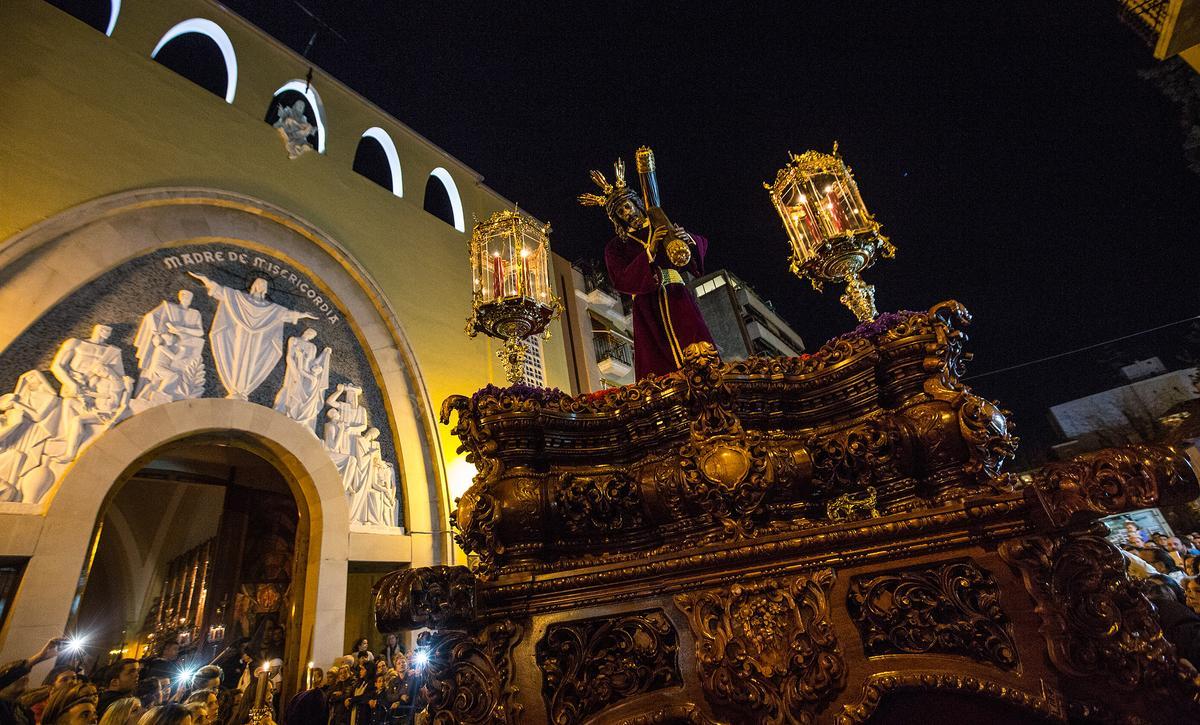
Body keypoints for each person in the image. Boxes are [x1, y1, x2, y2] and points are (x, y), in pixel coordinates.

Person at [580, 156, 715, 379]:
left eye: (627, 206)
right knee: (658, 364)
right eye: (620, 213)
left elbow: (698, 247)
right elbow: (620, 278)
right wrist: (649, 252)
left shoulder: (661, 224)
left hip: (677, 296)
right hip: (646, 306)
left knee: (695, 345)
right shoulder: (616, 247)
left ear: (636, 203)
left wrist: (687, 238)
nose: (627, 214)